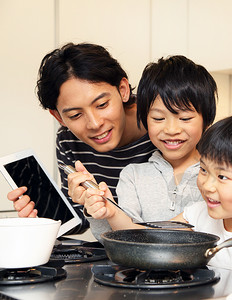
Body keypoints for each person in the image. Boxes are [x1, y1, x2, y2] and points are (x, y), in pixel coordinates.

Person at [85, 113, 232, 284]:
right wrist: (111, 211)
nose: (207, 185)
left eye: (222, 176)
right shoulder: (196, 216)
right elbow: (149, 243)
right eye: (203, 170)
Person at [7, 43, 156, 234]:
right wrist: (45, 218)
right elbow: (82, 220)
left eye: (102, 104)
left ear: (123, 89)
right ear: (58, 117)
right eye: (76, 115)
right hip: (119, 252)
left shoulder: (165, 128)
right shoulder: (68, 141)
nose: (94, 124)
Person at [76, 55, 217, 240]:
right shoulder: (133, 176)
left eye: (185, 118)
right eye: (158, 118)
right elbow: (126, 238)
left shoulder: (218, 176)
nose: (171, 130)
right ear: (145, 120)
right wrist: (107, 210)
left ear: (206, 120)